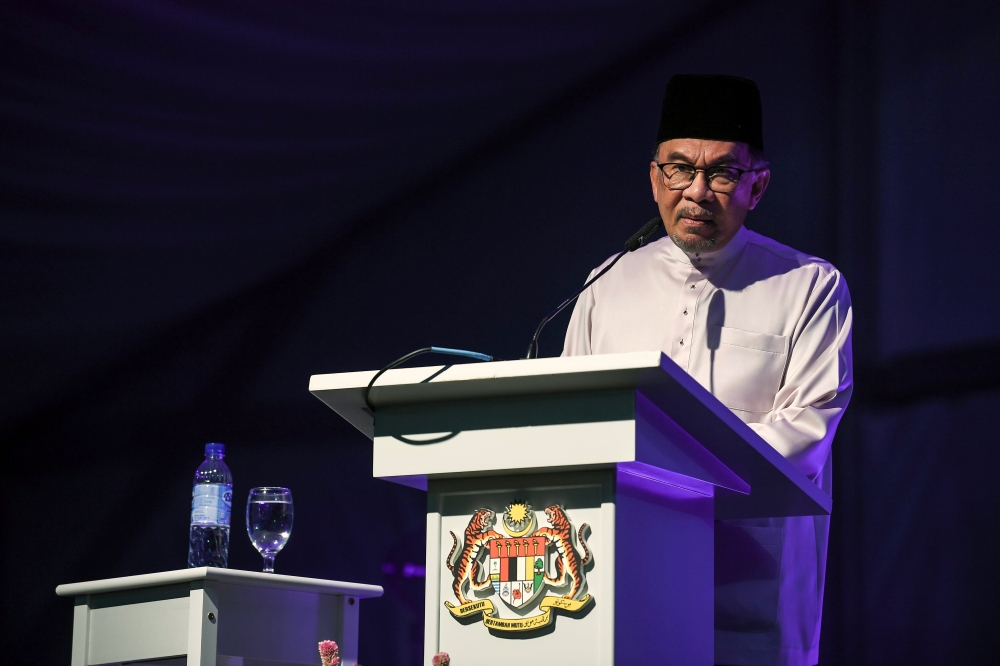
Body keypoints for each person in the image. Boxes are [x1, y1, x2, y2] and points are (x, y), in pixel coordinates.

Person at [562, 75, 853, 666]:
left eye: (722, 173)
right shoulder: (606, 284)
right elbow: (572, 422)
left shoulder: (808, 287)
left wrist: (669, 482)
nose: (696, 191)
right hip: (623, 576)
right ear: (653, 178)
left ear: (758, 186)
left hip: (753, 588)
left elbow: (805, 434)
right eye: (678, 169)